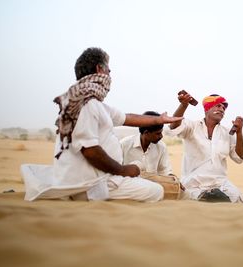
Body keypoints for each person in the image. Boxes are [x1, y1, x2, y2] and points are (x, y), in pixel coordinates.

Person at [22, 47, 182, 202]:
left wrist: (159, 120)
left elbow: (127, 118)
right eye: (109, 71)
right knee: (155, 191)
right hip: (89, 185)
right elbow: (90, 151)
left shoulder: (93, 104)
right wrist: (123, 171)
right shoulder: (86, 104)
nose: (110, 76)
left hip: (95, 177)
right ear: (100, 69)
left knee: (138, 169)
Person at [168, 92, 243, 202]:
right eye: (218, 106)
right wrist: (184, 105)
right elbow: (173, 126)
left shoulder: (227, 133)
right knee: (203, 199)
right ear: (207, 108)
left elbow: (239, 158)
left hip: (221, 183)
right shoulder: (192, 127)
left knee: (238, 198)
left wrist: (239, 133)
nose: (222, 109)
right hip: (194, 183)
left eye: (223, 107)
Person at [120, 111, 172, 176]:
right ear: (146, 132)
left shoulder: (161, 147)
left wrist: (174, 180)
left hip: (154, 184)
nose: (161, 136)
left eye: (161, 132)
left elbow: (165, 172)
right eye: (158, 133)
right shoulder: (123, 145)